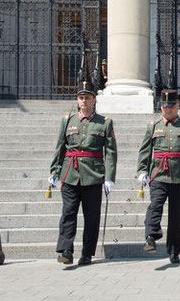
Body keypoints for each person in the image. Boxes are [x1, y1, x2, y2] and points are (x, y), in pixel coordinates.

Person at [49, 81, 117, 266]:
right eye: (81, 98)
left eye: (87, 98)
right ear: (77, 100)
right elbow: (60, 147)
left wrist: (109, 177)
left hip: (93, 175)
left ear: (94, 100)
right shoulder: (67, 121)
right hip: (70, 173)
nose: (84, 101)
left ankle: (87, 253)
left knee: (91, 216)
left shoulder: (104, 122)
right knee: (68, 212)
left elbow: (110, 152)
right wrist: (54, 170)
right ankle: (65, 250)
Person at [136, 89, 180, 264]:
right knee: (155, 206)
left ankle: (174, 251)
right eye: (164, 106)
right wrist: (142, 170)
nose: (167, 109)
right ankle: (151, 236)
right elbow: (145, 151)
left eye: (171, 106)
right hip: (159, 173)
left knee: (177, 216)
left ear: (177, 106)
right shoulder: (153, 126)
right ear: (161, 106)